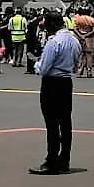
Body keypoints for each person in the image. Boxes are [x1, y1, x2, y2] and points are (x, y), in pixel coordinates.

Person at [30, 12, 81, 175]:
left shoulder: (53, 42)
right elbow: (75, 65)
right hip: (66, 82)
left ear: (52, 24)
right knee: (65, 122)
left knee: (51, 123)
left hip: (52, 83)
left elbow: (44, 69)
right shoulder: (74, 41)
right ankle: (64, 159)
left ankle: (51, 160)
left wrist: (36, 63)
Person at [73, 9, 94, 78]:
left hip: (80, 38)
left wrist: (80, 35)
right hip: (89, 38)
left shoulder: (78, 19)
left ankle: (80, 70)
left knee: (81, 55)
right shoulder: (92, 19)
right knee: (89, 55)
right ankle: (89, 71)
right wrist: (87, 35)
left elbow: (74, 28)